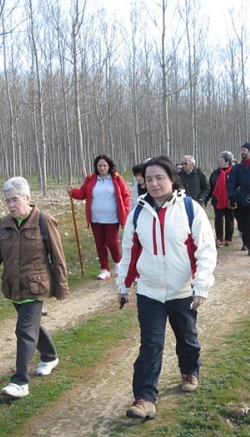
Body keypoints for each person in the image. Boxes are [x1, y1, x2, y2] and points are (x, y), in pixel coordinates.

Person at [117, 156, 217, 420]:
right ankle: (144, 398)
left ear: (172, 179)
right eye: (148, 179)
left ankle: (190, 370)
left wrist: (202, 285)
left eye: (159, 177)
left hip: (182, 290)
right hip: (150, 291)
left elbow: (205, 248)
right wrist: (123, 285)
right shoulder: (138, 212)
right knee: (151, 344)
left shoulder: (190, 209)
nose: (153, 183)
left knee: (187, 337)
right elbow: (130, 250)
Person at [0, 177, 69, 399]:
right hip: (13, 286)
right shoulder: (3, 223)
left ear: (27, 198)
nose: (11, 205)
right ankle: (49, 355)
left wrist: (61, 286)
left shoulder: (44, 221)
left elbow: (58, 256)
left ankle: (19, 382)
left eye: (15, 199)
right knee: (31, 325)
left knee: (24, 330)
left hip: (35, 286)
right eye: (7, 201)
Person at [68, 154, 131, 280]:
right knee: (99, 244)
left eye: (104, 165)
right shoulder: (91, 179)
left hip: (112, 217)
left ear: (109, 166)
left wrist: (125, 209)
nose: (102, 168)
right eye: (99, 165)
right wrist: (73, 191)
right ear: (96, 167)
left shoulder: (116, 178)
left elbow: (126, 195)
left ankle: (118, 263)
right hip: (96, 218)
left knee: (112, 242)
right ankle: (104, 269)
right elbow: (83, 193)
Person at [227, 142, 250, 255]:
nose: (242, 152)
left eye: (245, 150)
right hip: (240, 199)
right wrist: (231, 195)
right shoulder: (237, 167)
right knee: (242, 222)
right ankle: (245, 241)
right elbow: (231, 182)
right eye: (241, 149)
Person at [205, 150, 236, 247]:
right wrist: (207, 199)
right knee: (218, 219)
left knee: (229, 219)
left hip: (230, 201)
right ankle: (219, 238)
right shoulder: (215, 173)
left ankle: (228, 238)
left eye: (221, 160)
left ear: (227, 162)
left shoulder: (234, 172)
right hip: (217, 200)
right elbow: (211, 187)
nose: (219, 162)